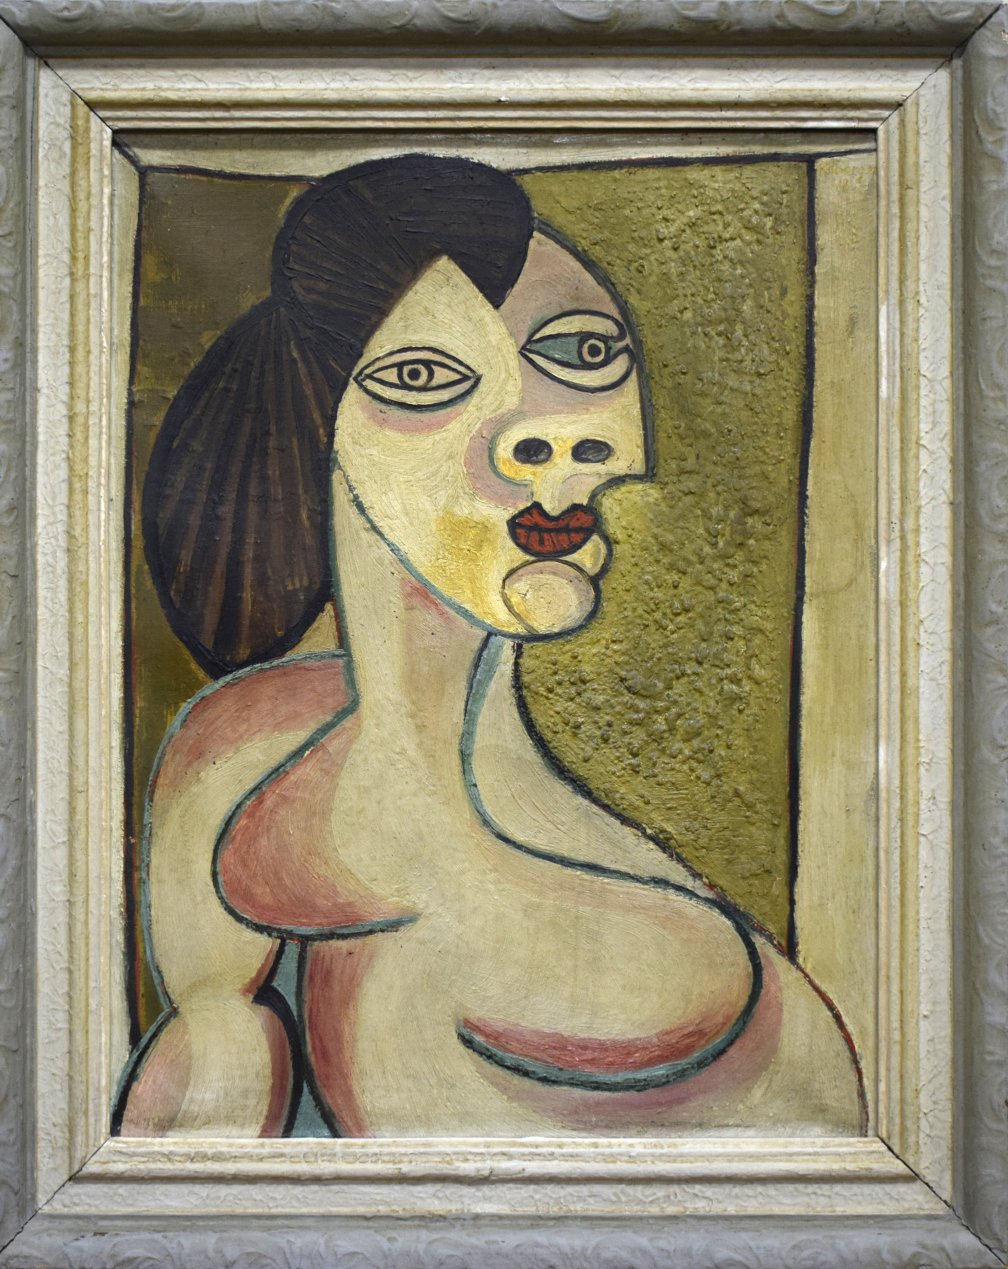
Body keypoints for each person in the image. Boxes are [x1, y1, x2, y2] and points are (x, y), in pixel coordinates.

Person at [116, 155, 864, 1137]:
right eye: (425, 377)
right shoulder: (241, 752)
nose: (549, 434)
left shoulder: (252, 752)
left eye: (583, 353)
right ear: (320, 423)